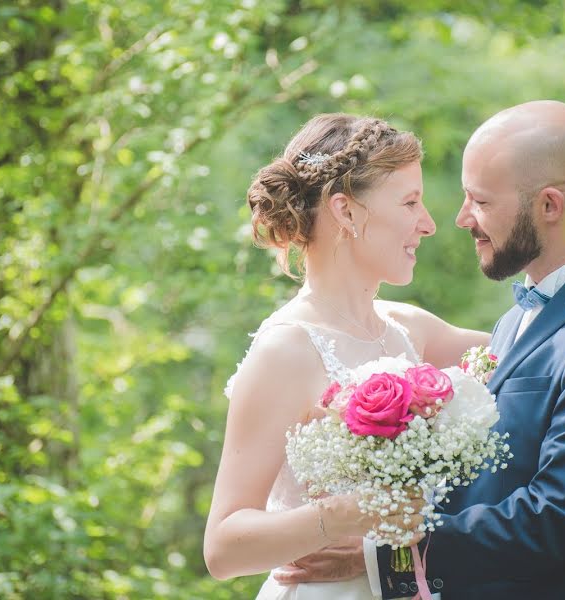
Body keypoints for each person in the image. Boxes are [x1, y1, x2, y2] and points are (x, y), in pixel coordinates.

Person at [276, 101, 565, 599]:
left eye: (481, 201)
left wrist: (385, 557)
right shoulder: (523, 314)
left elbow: (556, 516)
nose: (460, 218)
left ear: (550, 206)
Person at [203, 113, 489, 599]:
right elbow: (224, 547)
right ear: (347, 211)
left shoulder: (408, 327)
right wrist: (347, 515)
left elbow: (530, 348)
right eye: (409, 202)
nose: (429, 224)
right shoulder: (285, 350)